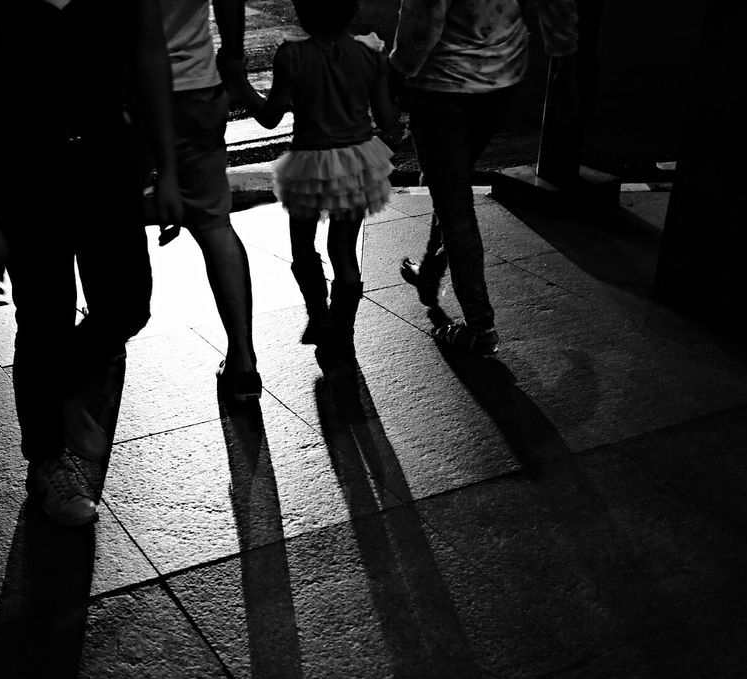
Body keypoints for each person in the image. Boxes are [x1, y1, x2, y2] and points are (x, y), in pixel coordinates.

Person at [0, 0, 182, 526]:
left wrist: (168, 167)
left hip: (107, 161)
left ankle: (58, 394)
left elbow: (149, 55)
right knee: (46, 316)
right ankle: (46, 460)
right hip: (24, 170)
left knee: (127, 304)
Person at [392, 0, 578, 355]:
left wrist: (396, 73)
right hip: (501, 72)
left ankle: (480, 326)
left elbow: (424, 19)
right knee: (452, 182)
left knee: (453, 200)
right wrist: (565, 58)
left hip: (443, 79)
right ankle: (430, 272)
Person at [236, 0, 399, 366]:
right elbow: (388, 118)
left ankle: (319, 316)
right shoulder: (370, 54)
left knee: (302, 247)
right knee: (343, 250)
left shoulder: (292, 57)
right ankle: (343, 331)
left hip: (309, 161)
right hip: (357, 161)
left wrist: (240, 83)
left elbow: (269, 117)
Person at [159, 0, 262, 402]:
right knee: (214, 222)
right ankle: (244, 360)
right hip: (196, 86)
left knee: (109, 219)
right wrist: (233, 59)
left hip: (124, 94)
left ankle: (101, 343)